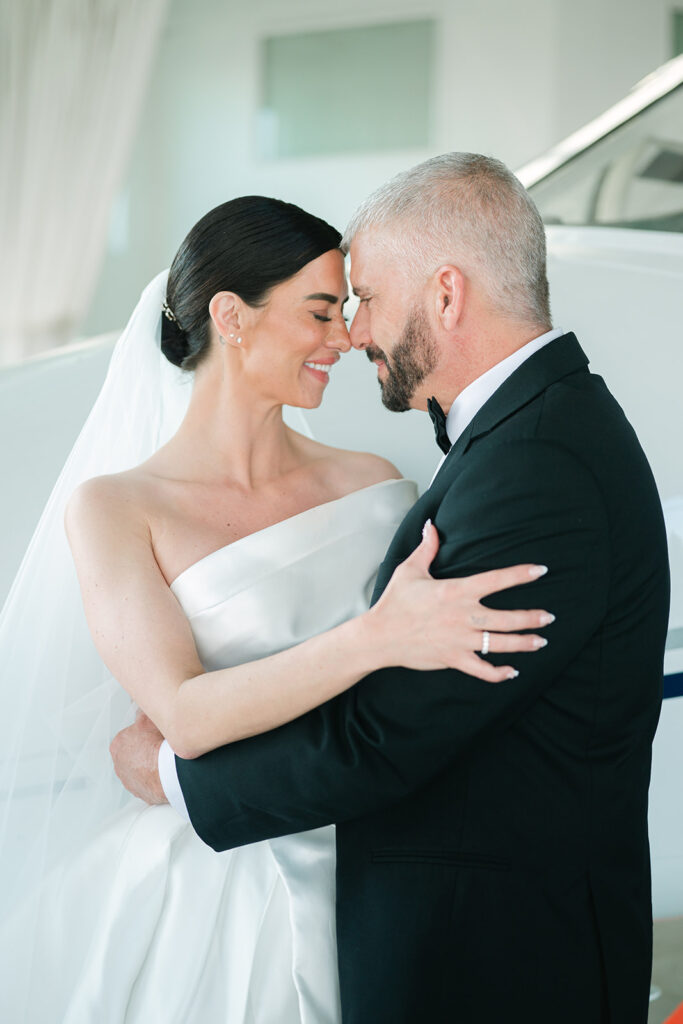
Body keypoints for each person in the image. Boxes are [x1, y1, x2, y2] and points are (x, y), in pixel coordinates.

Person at [114, 154, 670, 1024]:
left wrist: (173, 778)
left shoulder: (535, 466)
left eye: (363, 298)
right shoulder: (536, 435)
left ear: (445, 295)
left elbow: (388, 734)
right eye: (330, 307)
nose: (353, 331)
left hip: (496, 959)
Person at [0, 195, 549, 1022]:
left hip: (382, 861)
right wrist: (374, 639)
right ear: (231, 316)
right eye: (320, 311)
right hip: (210, 890)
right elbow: (182, 714)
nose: (345, 337)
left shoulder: (373, 485)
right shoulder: (114, 510)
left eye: (348, 310)